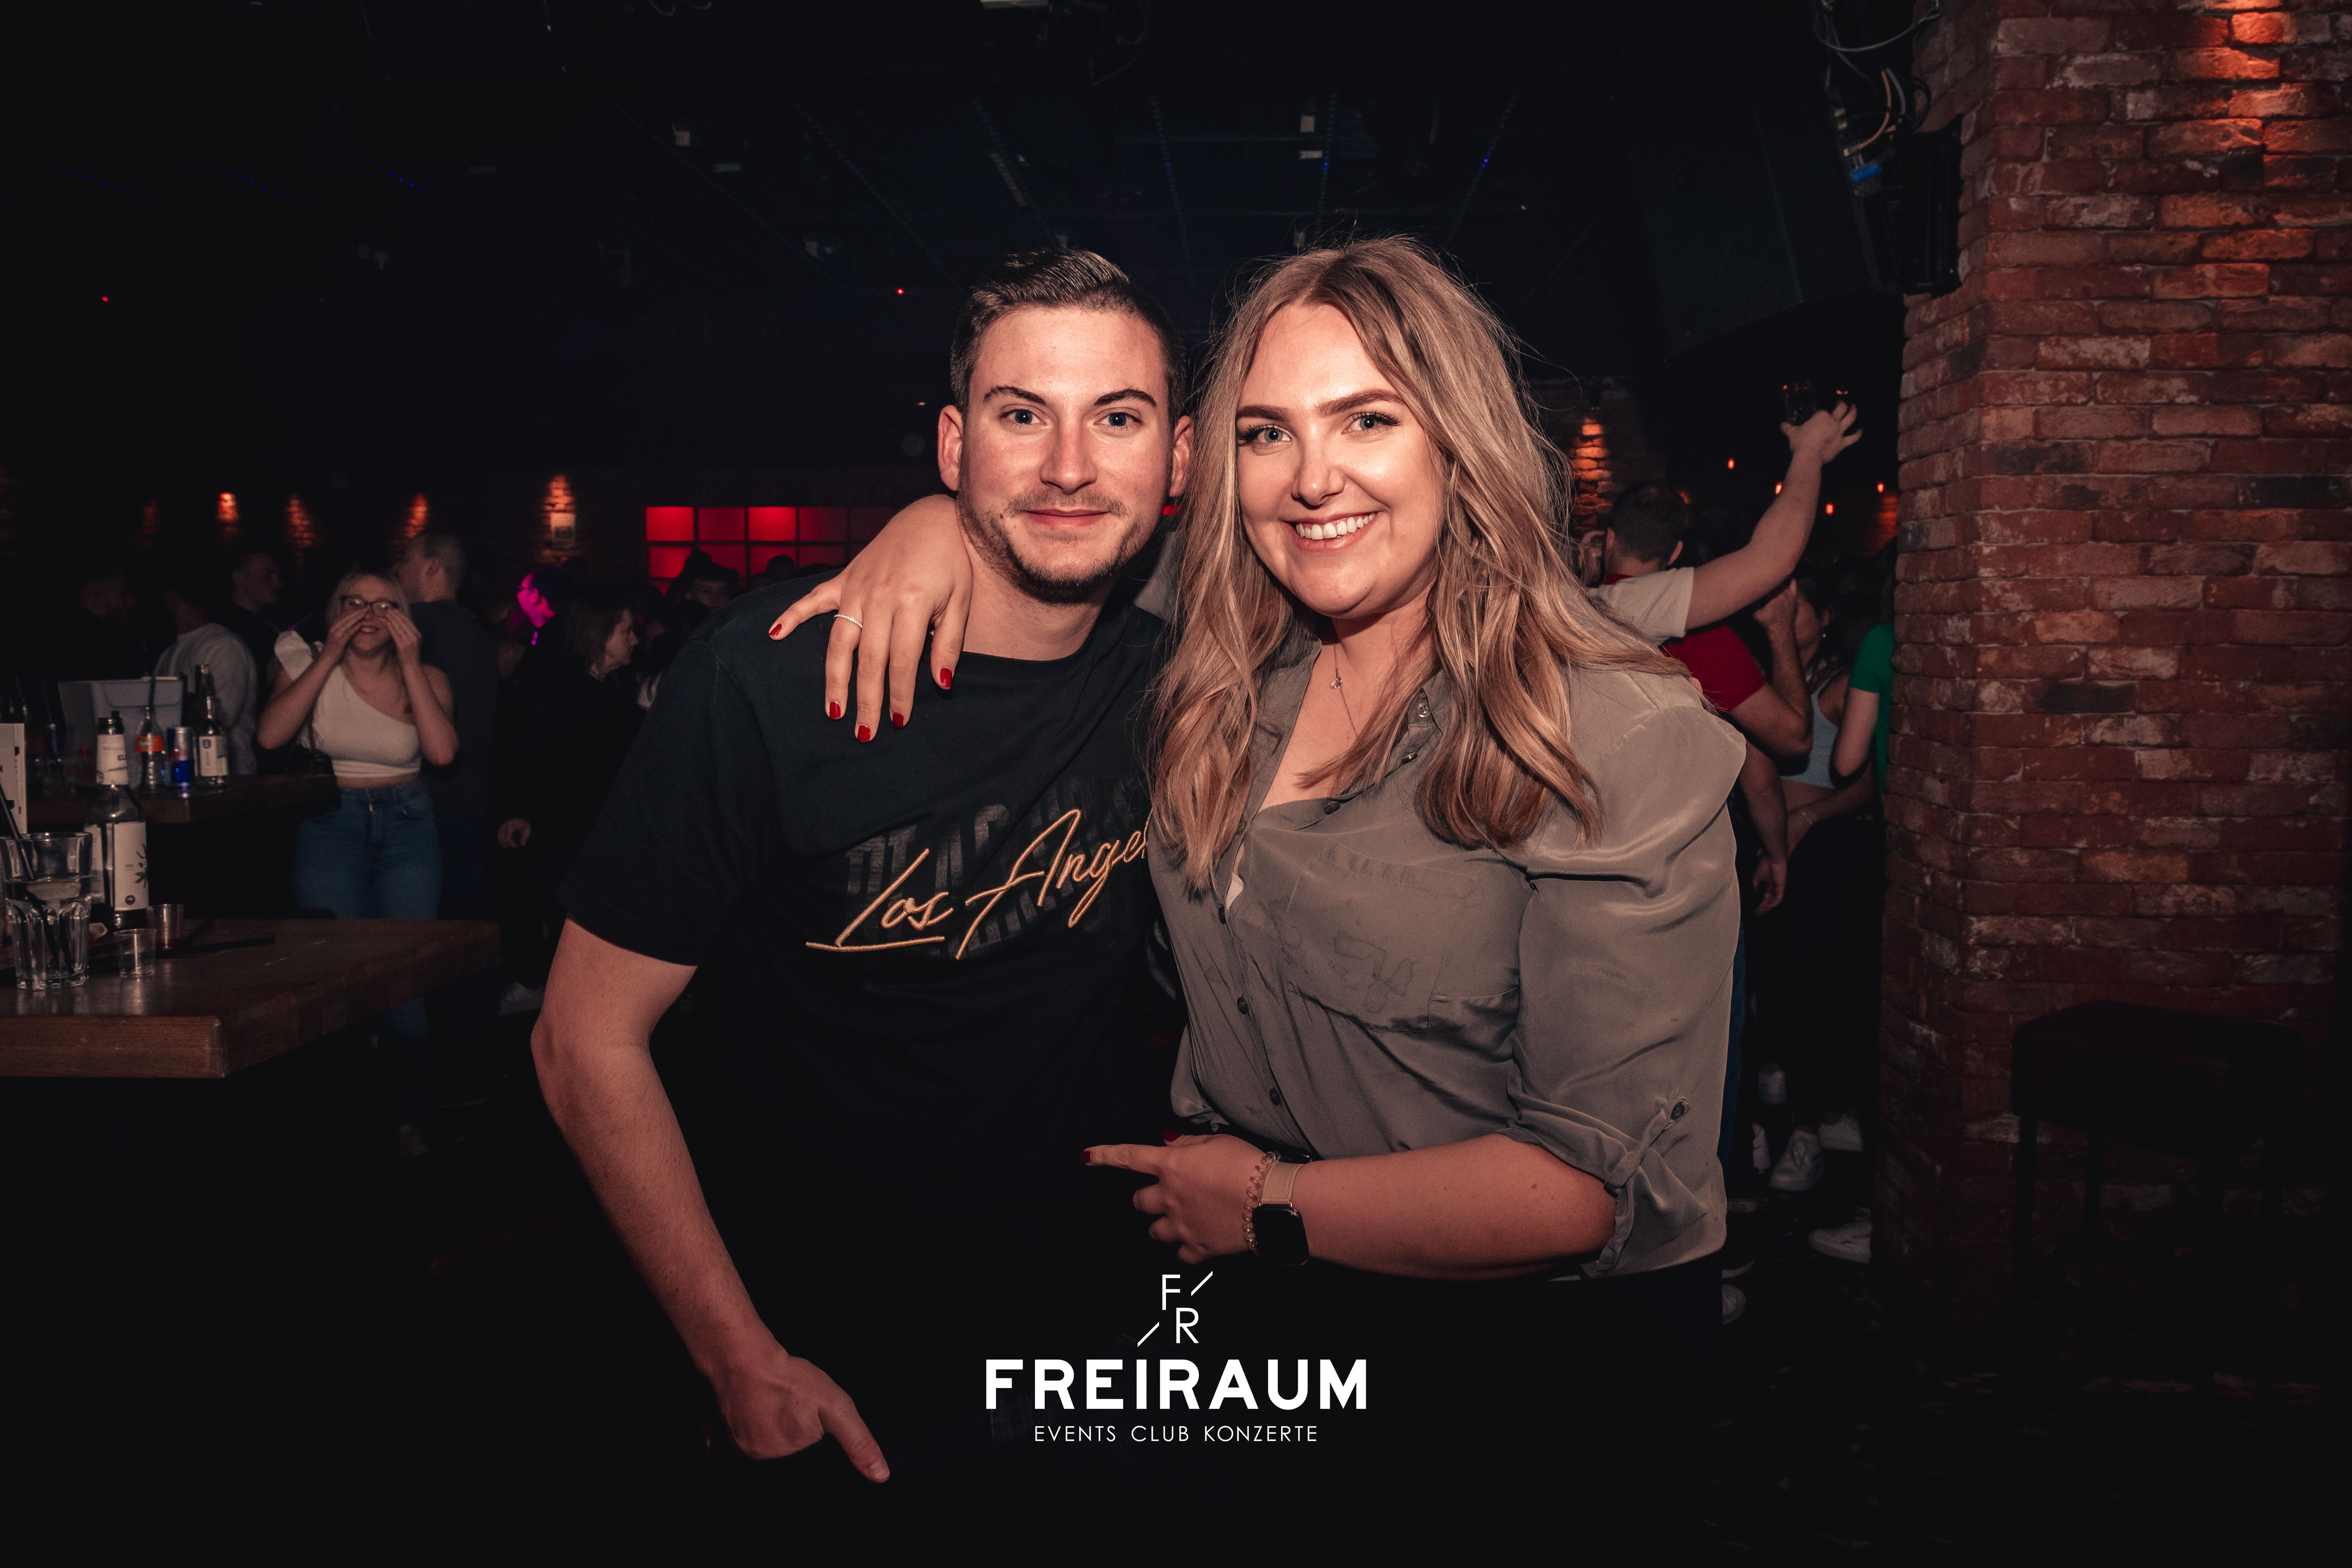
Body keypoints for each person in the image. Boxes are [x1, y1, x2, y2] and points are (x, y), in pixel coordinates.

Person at [778, 239, 1746, 1517]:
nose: (1311, 477)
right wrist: (927, 528)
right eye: (1266, 432)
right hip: (1274, 1307)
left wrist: (1267, 1203)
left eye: (1367, 419)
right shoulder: (1227, 661)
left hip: (1529, 1357)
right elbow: (1054, 523)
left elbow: (1581, 1188)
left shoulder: (1605, 730)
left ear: (1457, 443)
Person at [532, 250, 1194, 1524]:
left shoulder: (1176, 684)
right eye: (1021, 414)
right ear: (952, 447)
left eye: (1116, 417)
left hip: (1096, 1335)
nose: (1068, 465)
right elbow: (580, 1040)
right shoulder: (766, 678)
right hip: (830, 1350)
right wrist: (735, 1354)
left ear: (1177, 458)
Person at [256, 568, 458, 1042]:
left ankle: (407, 1089)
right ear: (337, 612)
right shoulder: (305, 664)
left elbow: (443, 754)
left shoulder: (428, 677)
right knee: (335, 973)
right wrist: (328, 655)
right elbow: (269, 736)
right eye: (356, 604)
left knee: (404, 977)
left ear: (402, 618)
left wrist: (410, 662)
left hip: (408, 827)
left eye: (384, 605)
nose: (369, 614)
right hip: (329, 824)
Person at [1752, 570, 1881, 1195]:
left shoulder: (1841, 682)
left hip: (1822, 852)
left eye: (1798, 605)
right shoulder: (1768, 678)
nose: (1783, 610)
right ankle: (1785, 1112)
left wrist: (1808, 817)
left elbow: (1868, 782)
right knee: (1772, 985)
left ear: (1826, 618)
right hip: (1768, 850)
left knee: (1814, 992)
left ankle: (1812, 1132)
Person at [491, 586, 642, 1005]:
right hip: (564, 839)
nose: (635, 640)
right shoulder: (556, 692)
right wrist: (518, 812)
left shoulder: (615, 692)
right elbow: (523, 756)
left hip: (598, 839)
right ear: (600, 634)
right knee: (573, 935)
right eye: (626, 630)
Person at [396, 534, 499, 920]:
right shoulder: (477, 629)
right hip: (477, 798)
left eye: (406, 559)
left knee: (432, 925)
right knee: (469, 926)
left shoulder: (417, 627)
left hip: (437, 801)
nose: (398, 570)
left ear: (433, 566)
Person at [152, 557, 259, 775]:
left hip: (228, 778)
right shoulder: (168, 653)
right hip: (181, 775)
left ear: (170, 597)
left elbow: (219, 721)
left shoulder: (223, 646)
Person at [217, 547, 288, 677]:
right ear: (238, 577)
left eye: (279, 576)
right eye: (266, 575)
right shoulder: (225, 630)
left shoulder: (276, 624)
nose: (278, 583)